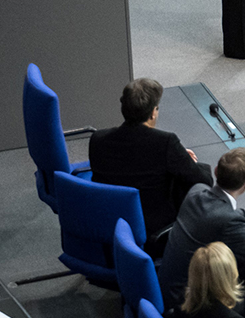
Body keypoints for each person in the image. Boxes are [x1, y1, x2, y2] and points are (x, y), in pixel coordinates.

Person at [157, 147, 245, 314]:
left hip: (170, 291)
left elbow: (235, 212)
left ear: (216, 171)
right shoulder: (229, 222)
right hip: (192, 305)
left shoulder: (197, 192)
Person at [88, 77, 209, 240]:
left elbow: (132, 160)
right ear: (152, 112)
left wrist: (177, 155)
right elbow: (203, 180)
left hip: (108, 222)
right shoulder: (165, 142)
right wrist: (183, 159)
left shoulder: (97, 139)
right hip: (152, 232)